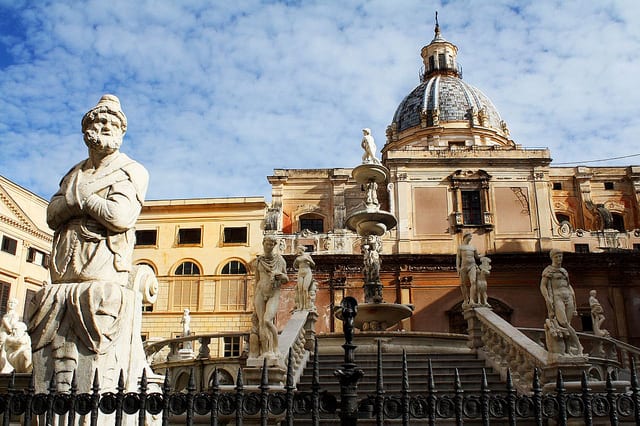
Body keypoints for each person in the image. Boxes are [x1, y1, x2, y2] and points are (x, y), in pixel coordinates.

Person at [28, 94, 151, 394]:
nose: (104, 127)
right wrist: (87, 202)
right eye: (99, 121)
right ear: (87, 130)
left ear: (122, 131)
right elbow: (51, 213)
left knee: (100, 303)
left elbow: (120, 216)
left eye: (111, 123)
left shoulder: (131, 170)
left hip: (104, 268)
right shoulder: (73, 173)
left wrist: (79, 199)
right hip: (66, 270)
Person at [540, 250, 583, 355]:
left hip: (568, 297)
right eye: (557, 257)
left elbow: (568, 285)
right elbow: (543, 286)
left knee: (566, 326)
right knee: (564, 323)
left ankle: (568, 349)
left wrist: (574, 298)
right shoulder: (548, 270)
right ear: (552, 258)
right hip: (557, 297)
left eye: (560, 256)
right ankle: (578, 345)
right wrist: (547, 298)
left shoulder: (564, 271)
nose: (559, 259)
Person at [252, 235, 288, 358]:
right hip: (260, 292)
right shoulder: (258, 261)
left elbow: (286, 278)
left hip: (274, 292)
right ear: (263, 244)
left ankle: (276, 348)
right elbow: (256, 280)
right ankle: (266, 351)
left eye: (271, 244)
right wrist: (253, 298)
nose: (268, 246)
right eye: (267, 244)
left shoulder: (280, 260)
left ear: (274, 245)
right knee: (261, 322)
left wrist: (280, 276)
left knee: (267, 320)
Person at [456, 233, 480, 307]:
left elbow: (477, 256)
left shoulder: (473, 247)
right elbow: (458, 258)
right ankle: (466, 299)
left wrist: (483, 256)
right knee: (462, 284)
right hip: (464, 266)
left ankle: (472, 300)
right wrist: (458, 267)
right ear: (465, 237)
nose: (471, 238)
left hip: (472, 265)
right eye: (470, 236)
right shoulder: (460, 247)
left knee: (473, 282)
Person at [293, 246, 316, 311]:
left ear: (301, 249)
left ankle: (306, 306)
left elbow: (313, 264)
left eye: (298, 249)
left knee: (305, 289)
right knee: (300, 290)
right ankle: (301, 306)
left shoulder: (307, 256)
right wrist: (297, 262)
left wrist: (308, 260)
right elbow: (294, 266)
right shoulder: (298, 258)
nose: (297, 251)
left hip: (307, 272)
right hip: (300, 273)